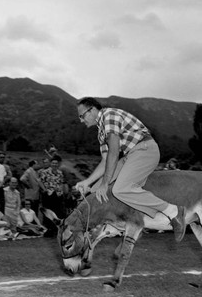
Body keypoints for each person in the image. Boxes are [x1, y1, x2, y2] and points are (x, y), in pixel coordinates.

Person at [74, 97, 186, 240]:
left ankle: (174, 211)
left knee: (119, 188)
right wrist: (87, 182)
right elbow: (105, 161)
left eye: (82, 115)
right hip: (130, 155)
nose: (81, 120)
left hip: (144, 149)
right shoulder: (101, 131)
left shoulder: (109, 115)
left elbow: (114, 152)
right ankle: (114, 223)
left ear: (93, 109)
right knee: (95, 190)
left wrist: (105, 182)